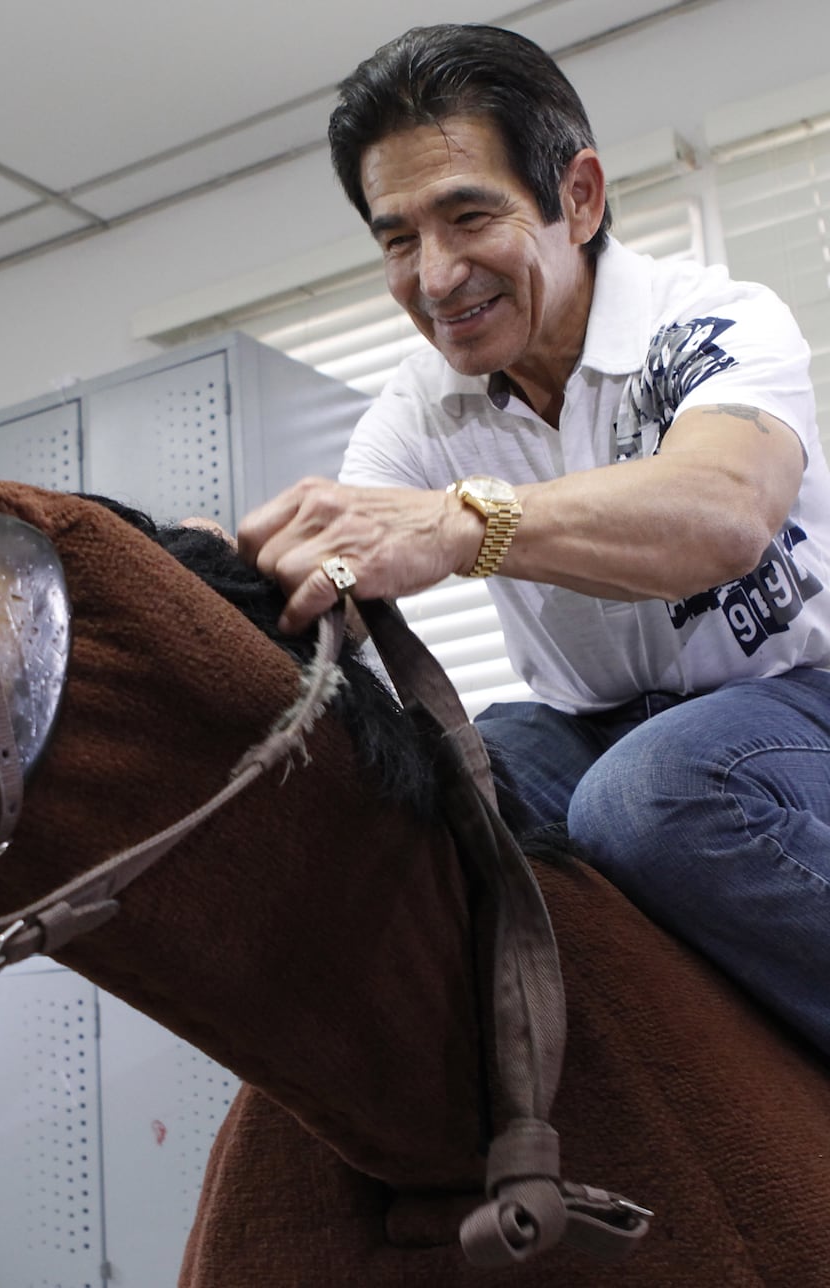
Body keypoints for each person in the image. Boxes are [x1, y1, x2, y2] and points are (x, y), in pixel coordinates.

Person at [236, 23, 830, 1059]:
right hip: (586, 727)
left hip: (801, 706)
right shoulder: (421, 407)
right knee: (411, 807)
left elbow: (726, 511)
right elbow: (339, 554)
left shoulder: (712, 322)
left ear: (581, 198)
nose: (435, 273)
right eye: (397, 238)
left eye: (469, 216)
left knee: (653, 797)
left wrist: (461, 523)